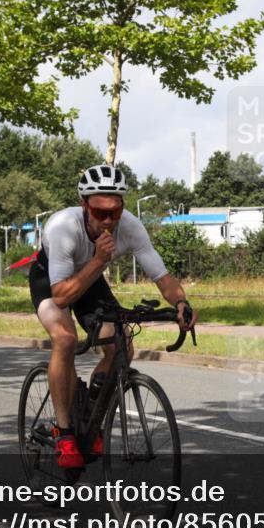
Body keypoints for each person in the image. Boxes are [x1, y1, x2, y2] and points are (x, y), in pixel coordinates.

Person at [28, 164, 198, 468]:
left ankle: (92, 414)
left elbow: (162, 277)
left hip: (91, 282)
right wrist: (98, 259)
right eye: (100, 212)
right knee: (65, 339)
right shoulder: (63, 227)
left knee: (122, 345)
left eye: (115, 212)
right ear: (84, 205)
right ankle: (64, 432)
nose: (108, 220)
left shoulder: (130, 226)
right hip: (52, 282)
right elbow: (62, 297)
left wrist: (181, 302)